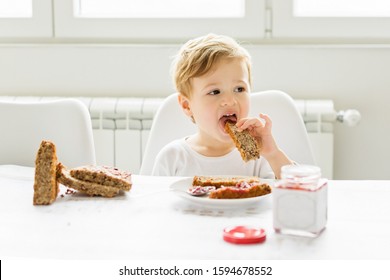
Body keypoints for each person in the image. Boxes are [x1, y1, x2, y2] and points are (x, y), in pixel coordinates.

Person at [152, 34, 293, 178]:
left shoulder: (259, 157)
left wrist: (273, 154)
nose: (230, 100)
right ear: (187, 106)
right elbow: (154, 199)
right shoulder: (172, 158)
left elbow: (300, 194)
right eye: (215, 92)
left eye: (239, 89)